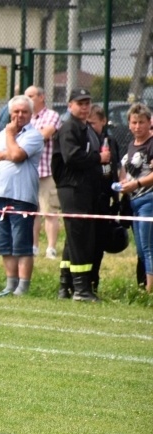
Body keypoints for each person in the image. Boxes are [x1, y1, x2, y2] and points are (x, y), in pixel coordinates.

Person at [0, 95, 44, 296]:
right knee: (5, 243)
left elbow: (17, 156)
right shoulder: (2, 135)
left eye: (24, 112)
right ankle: (10, 284)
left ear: (31, 114)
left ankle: (23, 286)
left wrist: (10, 137)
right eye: (16, 111)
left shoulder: (33, 135)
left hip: (21, 197)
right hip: (0, 196)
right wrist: (4, 154)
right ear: (10, 113)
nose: (19, 115)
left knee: (21, 244)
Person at [51, 88, 109, 302]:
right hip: (72, 188)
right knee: (80, 237)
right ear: (70, 105)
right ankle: (81, 288)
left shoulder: (84, 128)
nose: (84, 107)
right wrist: (98, 158)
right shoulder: (69, 127)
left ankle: (65, 285)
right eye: (79, 103)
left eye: (87, 103)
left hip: (85, 189)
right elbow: (72, 157)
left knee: (75, 237)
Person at [86, 104, 122, 292]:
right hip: (88, 196)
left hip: (105, 198)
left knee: (100, 242)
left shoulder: (110, 141)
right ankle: (80, 281)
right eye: (87, 124)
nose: (91, 127)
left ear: (103, 121)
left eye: (94, 123)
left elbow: (115, 170)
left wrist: (116, 199)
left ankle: (94, 281)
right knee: (87, 241)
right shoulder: (85, 141)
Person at [118, 103, 153, 293]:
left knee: (148, 248)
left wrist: (137, 185)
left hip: (149, 199)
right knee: (140, 250)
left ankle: (149, 291)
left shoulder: (151, 143)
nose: (137, 126)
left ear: (149, 123)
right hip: (134, 202)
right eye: (134, 122)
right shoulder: (132, 144)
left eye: (141, 122)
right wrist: (123, 184)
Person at [24, 86, 62, 259]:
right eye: (25, 96)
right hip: (28, 171)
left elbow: (45, 134)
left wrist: (27, 138)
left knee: (49, 211)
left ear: (42, 97)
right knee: (32, 212)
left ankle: (51, 248)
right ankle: (33, 247)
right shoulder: (24, 117)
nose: (27, 99)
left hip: (47, 171)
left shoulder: (52, 115)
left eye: (30, 96)